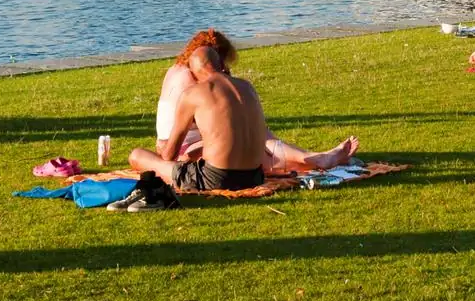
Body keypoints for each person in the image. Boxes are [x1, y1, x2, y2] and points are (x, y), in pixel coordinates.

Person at [154, 30, 356, 174]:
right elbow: (204, 120)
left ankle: (314, 158)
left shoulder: (182, 72)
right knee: (256, 150)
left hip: (192, 141)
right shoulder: (188, 80)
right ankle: (313, 159)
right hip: (184, 147)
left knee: (256, 140)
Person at [130, 47, 269, 192]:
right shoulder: (247, 87)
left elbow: (169, 155)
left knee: (137, 155)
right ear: (221, 64)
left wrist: (166, 151)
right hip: (254, 176)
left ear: (192, 73)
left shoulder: (193, 94)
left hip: (215, 179)